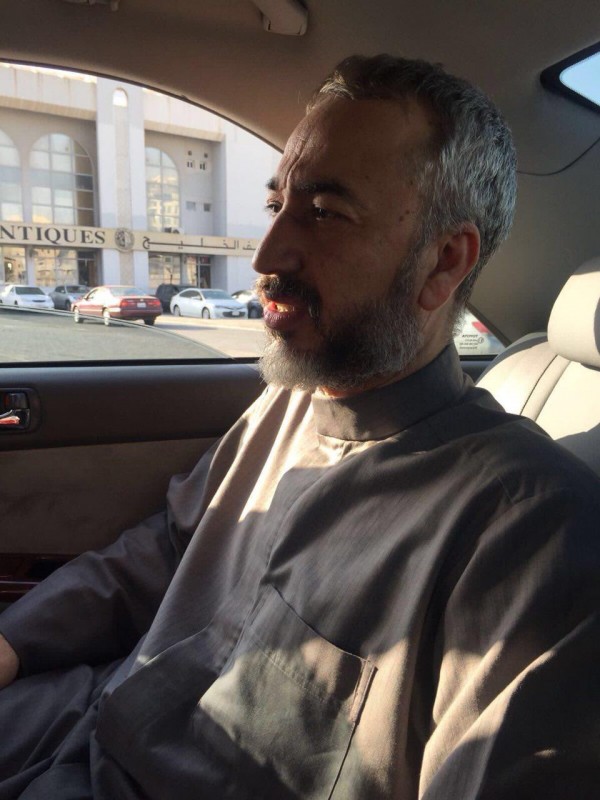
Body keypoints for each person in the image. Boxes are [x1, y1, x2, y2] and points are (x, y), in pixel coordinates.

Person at [0, 54, 599, 800]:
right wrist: (15, 640)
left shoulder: (528, 534)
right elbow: (168, 548)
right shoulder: (286, 405)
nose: (266, 254)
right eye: (278, 203)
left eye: (324, 213)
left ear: (444, 262)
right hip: (76, 724)